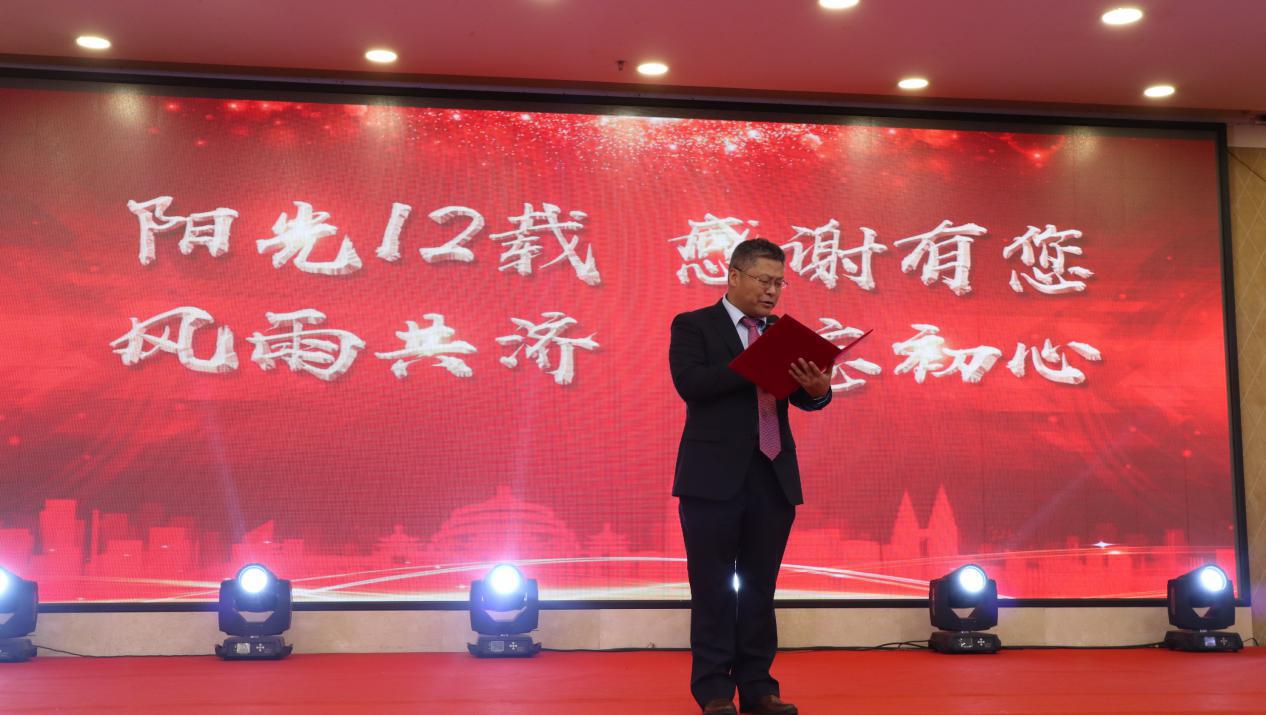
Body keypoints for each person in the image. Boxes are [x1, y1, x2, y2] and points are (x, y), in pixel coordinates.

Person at [669, 238, 832, 715]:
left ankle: (760, 687)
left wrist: (818, 390)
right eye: (764, 280)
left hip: (772, 476)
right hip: (711, 480)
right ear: (734, 276)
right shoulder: (693, 325)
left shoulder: (781, 333)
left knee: (760, 589)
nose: (772, 291)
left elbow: (803, 398)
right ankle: (714, 690)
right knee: (713, 587)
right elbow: (691, 384)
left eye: (779, 282)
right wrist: (755, 362)